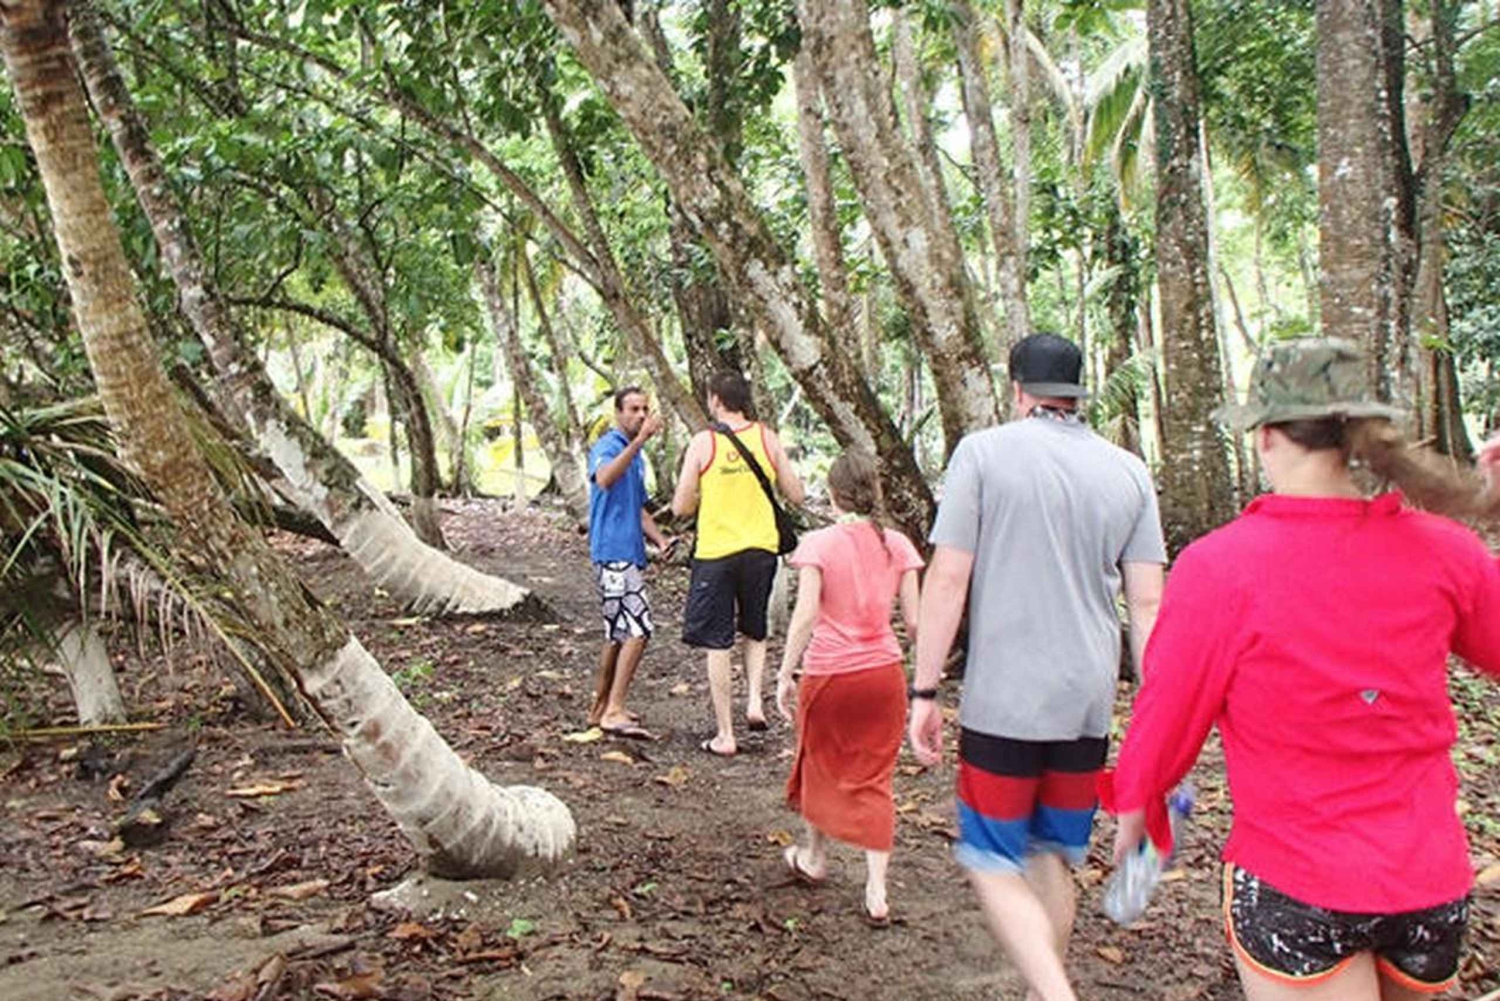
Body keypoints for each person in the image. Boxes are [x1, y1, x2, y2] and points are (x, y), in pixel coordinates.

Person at [1108, 338, 1500, 1001]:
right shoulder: (1446, 551)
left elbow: (1166, 718)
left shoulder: (1219, 566)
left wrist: (1136, 816)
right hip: (1428, 883)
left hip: (1297, 882)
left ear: (1265, 435)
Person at [908, 332, 1167, 1001]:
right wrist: (1157, 713)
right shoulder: (1128, 470)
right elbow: (1147, 601)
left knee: (990, 855)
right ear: (1077, 393)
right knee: (1049, 853)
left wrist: (925, 688)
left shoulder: (984, 453)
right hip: (1087, 693)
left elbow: (948, 578)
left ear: (1016, 388)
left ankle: (1054, 994)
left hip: (1008, 694)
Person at [774, 450, 923, 927]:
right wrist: (928, 682)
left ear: (834, 494)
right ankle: (876, 891)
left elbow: (806, 615)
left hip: (830, 674)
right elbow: (916, 623)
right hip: (884, 675)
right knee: (875, 777)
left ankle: (815, 857)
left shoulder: (819, 543)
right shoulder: (898, 545)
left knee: (818, 763)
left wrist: (783, 673)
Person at [672, 370, 805, 756]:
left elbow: (681, 506)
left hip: (716, 551)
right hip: (761, 549)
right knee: (755, 629)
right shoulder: (767, 438)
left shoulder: (703, 443)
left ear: (715, 400)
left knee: (718, 640)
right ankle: (754, 703)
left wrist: (706, 495)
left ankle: (726, 734)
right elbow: (795, 494)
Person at [587, 386, 673, 737]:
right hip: (612, 552)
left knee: (618, 634)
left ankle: (601, 707)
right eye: (634, 409)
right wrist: (639, 443)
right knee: (639, 629)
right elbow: (605, 479)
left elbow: (637, 507)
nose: (640, 416)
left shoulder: (634, 456)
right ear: (618, 413)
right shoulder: (609, 446)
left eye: (645, 409)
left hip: (629, 551)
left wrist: (660, 540)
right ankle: (615, 709)